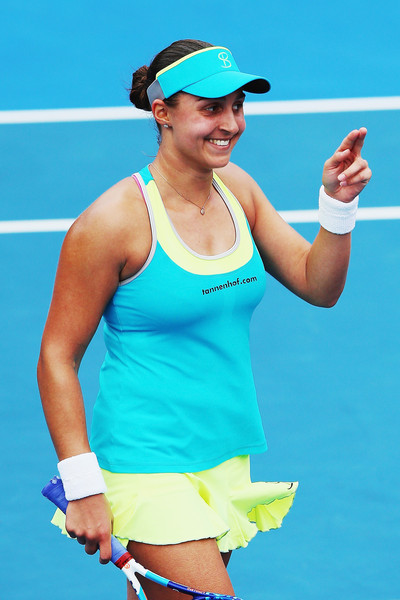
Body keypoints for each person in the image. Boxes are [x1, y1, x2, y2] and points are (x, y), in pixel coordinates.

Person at [37, 39, 371, 600]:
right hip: (147, 464)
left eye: (237, 106)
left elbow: (318, 285)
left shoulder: (238, 190)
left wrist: (337, 206)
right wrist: (83, 483)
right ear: (162, 113)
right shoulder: (110, 224)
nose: (230, 124)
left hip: (224, 455)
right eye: (211, 108)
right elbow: (57, 356)